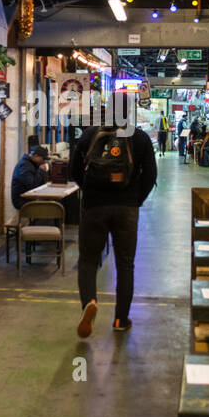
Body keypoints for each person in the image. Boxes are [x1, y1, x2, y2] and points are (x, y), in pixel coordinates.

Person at [69, 120, 157, 336]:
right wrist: (136, 199)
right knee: (125, 264)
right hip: (127, 208)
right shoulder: (140, 137)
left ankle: (89, 302)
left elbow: (74, 170)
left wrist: (88, 190)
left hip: (94, 207)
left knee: (88, 261)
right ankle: (120, 319)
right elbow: (151, 175)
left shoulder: (90, 134)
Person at [11, 145, 49, 210]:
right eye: (43, 158)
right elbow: (32, 186)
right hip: (22, 201)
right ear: (36, 156)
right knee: (51, 207)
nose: (43, 161)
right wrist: (40, 170)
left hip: (29, 198)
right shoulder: (24, 166)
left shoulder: (31, 163)